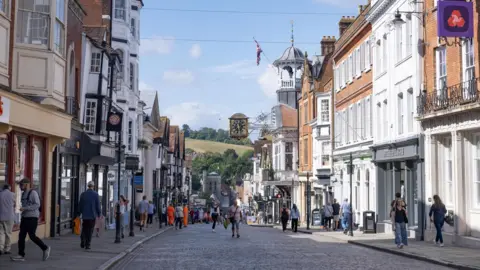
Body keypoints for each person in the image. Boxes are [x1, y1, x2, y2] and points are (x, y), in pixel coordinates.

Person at [11, 178, 50, 261]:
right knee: (21, 236)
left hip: (32, 218)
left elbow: (37, 205)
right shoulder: (24, 193)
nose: (20, 187)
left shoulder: (33, 193)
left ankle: (45, 248)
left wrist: (25, 208)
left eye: (21, 185)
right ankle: (21, 255)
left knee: (32, 236)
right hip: (25, 218)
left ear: (26, 184)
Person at [76, 181, 101, 251]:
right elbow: (98, 205)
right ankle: (88, 244)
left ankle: (83, 239)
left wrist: (78, 213)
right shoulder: (95, 194)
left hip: (85, 215)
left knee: (84, 228)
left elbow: (80, 205)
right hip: (92, 216)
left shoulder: (83, 194)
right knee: (90, 230)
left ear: (88, 186)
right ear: (93, 186)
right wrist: (99, 214)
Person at [0, 184, 15, 255]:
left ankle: (0, 248)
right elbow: (15, 204)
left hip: (0, 216)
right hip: (9, 217)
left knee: (1, 233)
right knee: (8, 233)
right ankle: (7, 249)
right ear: (9, 188)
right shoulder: (13, 194)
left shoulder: (0, 194)